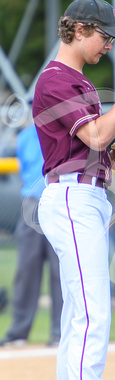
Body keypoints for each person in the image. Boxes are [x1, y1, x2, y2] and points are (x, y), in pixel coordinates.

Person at [32, 0, 115, 380]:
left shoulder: (80, 82)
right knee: (92, 315)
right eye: (104, 36)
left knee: (84, 314)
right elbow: (95, 136)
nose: (109, 46)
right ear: (79, 30)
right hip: (71, 198)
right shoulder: (56, 79)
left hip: (87, 194)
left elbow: (105, 152)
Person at [0, 123, 62, 348]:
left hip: (57, 201)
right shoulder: (26, 135)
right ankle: (18, 331)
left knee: (59, 271)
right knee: (26, 270)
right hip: (32, 202)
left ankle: (59, 332)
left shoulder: (62, 128)